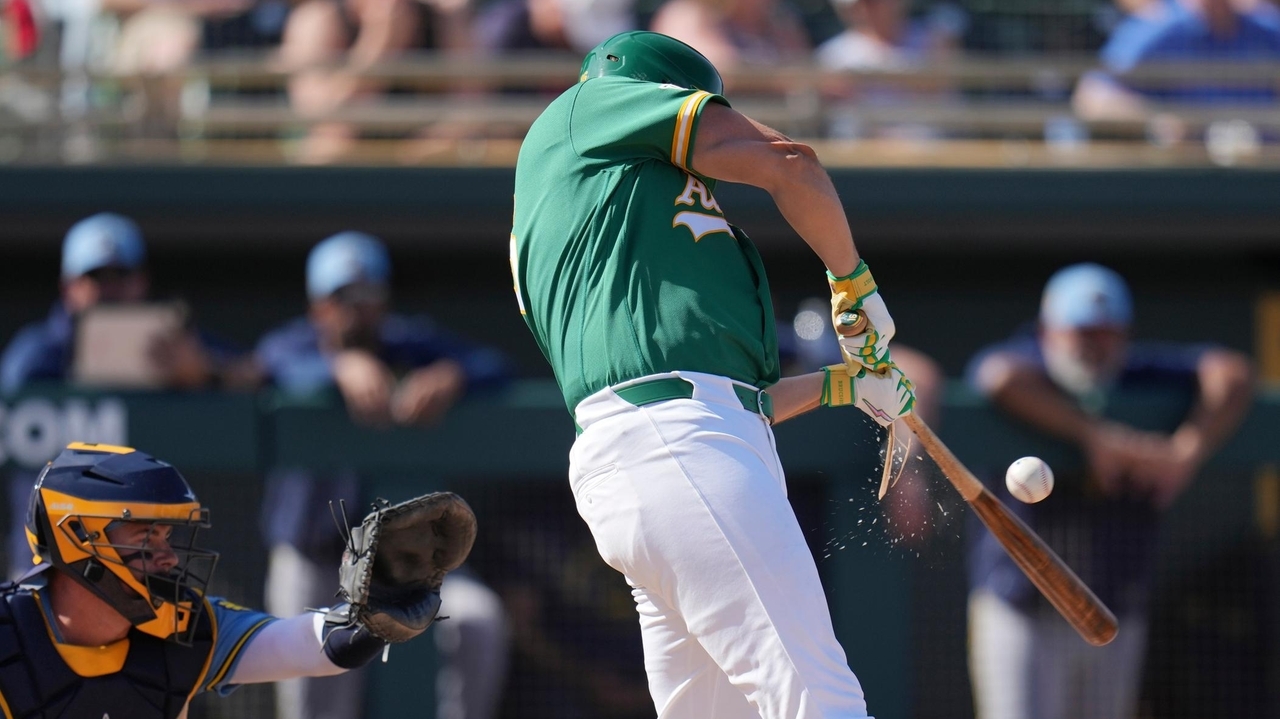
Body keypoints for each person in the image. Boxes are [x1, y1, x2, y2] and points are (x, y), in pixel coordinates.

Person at [510, 31, 916, 718]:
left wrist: (841, 384)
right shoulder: (588, 108)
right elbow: (792, 164)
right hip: (675, 442)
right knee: (816, 693)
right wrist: (853, 282)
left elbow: (740, 398)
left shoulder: (623, 221)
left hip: (662, 447)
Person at [964, 263, 1254, 719]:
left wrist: (1187, 451)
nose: (1094, 345)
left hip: (1110, 611)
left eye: (1106, 333)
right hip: (1021, 607)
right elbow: (997, 376)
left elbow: (1232, 371)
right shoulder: (1027, 366)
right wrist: (1095, 436)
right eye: (1081, 331)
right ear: (1048, 331)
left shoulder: (1139, 373)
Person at [255, 230, 511, 719]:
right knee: (316, 697)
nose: (355, 309)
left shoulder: (408, 342)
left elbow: (491, 365)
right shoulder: (294, 345)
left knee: (478, 621)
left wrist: (451, 373)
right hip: (314, 563)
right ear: (317, 305)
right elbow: (266, 366)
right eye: (341, 297)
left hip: (404, 565)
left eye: (366, 295)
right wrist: (338, 367)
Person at [0, 442, 435, 718]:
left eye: (168, 536)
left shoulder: (186, 626)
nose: (169, 557)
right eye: (146, 536)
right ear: (77, 538)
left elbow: (305, 645)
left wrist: (373, 612)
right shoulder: (9, 633)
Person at [2, 212, 248, 579]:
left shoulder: (170, 344)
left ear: (141, 281)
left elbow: (257, 373)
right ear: (69, 286)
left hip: (144, 561)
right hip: (51, 560)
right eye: (95, 277)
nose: (109, 289)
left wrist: (205, 370)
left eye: (121, 276)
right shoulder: (36, 355)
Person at [1072, 0, 1280, 127]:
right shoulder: (1158, 26)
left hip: (1264, 171)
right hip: (1184, 178)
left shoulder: (1266, 26)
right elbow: (1091, 99)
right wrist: (1158, 120)